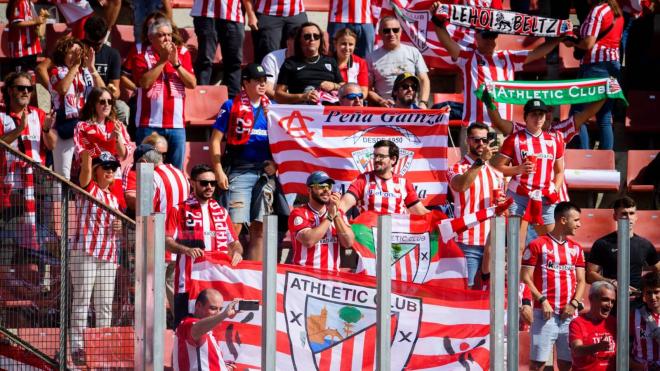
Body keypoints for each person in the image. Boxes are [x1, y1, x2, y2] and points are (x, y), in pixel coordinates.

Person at [432, 3, 560, 149]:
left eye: (493, 36)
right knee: (471, 169)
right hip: (474, 129)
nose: (490, 41)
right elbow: (447, 42)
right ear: (476, 37)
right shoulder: (468, 57)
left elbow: (538, 53)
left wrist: (559, 38)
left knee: (500, 172)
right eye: (486, 36)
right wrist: (437, 21)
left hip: (502, 129)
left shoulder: (508, 57)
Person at [210, 63, 274, 261]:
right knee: (234, 226)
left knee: (260, 228)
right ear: (245, 82)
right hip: (239, 171)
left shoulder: (271, 109)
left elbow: (281, 141)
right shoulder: (230, 106)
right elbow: (214, 140)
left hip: (264, 174)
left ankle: (255, 281)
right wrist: (218, 171)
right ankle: (227, 272)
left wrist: (276, 164)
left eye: (265, 80)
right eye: (258, 80)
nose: (263, 84)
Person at [166, 164, 243, 325]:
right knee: (183, 330)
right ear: (192, 183)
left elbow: (235, 243)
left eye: (213, 183)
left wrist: (237, 252)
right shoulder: (178, 210)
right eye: (204, 183)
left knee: (215, 331)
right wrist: (186, 250)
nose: (209, 187)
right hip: (187, 282)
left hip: (215, 282)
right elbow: (166, 241)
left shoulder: (221, 212)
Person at [521, 202, 587, 371]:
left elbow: (581, 281)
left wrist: (573, 304)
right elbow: (525, 276)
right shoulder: (537, 244)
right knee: (538, 364)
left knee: (567, 363)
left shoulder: (577, 249)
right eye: (576, 220)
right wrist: (542, 299)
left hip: (569, 315)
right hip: (544, 315)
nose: (579, 224)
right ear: (563, 220)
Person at [70, 150, 122, 365]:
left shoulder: (113, 197)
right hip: (86, 252)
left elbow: (115, 227)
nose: (110, 171)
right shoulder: (88, 187)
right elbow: (84, 173)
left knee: (104, 305)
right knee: (82, 301)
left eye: (113, 168)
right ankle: (77, 347)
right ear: (96, 170)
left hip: (108, 254)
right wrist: (87, 155)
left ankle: (102, 346)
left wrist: (118, 225)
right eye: (106, 167)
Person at [125, 142, 189, 312]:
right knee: (175, 293)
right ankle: (181, 332)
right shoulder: (180, 174)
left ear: (144, 164)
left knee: (152, 296)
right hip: (179, 243)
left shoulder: (151, 177)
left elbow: (144, 210)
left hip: (158, 244)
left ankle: (156, 337)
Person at [491, 99, 565, 241]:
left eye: (541, 115)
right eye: (534, 115)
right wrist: (518, 169)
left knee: (549, 244)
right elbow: (497, 168)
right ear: (525, 117)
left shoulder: (554, 141)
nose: (538, 118)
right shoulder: (514, 139)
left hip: (544, 196)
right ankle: (516, 263)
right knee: (517, 244)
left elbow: (560, 171)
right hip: (519, 196)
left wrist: (555, 189)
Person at [0, 72, 56, 251]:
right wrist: (20, 129)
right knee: (9, 237)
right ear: (9, 91)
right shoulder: (1, 115)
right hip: (10, 185)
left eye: (29, 88)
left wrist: (46, 129)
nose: (25, 92)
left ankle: (32, 275)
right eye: (21, 88)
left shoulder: (38, 114)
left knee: (36, 237)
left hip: (37, 183)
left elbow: (51, 145)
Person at [133, 18, 197, 170]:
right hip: (149, 124)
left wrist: (176, 64)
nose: (167, 39)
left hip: (176, 125)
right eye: (162, 35)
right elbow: (145, 83)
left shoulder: (182, 53)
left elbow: (192, 83)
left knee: (176, 171)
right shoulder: (141, 54)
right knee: (146, 171)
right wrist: (162, 61)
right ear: (151, 38)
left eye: (169, 35)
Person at [447, 122, 502, 288]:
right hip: (466, 241)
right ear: (467, 141)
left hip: (491, 244)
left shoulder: (496, 173)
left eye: (485, 140)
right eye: (476, 140)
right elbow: (460, 186)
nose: (481, 144)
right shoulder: (455, 168)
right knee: (465, 291)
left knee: (489, 295)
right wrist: (479, 162)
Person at [566, 0, 623, 150]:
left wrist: (573, 43)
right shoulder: (617, 11)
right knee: (604, 117)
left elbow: (588, 43)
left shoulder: (597, 11)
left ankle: (584, 157)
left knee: (579, 115)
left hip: (595, 66)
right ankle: (605, 161)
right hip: (613, 66)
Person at [49, 37, 105, 180]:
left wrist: (92, 69)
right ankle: (61, 203)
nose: (75, 56)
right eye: (71, 53)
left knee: (87, 171)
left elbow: (104, 93)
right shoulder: (56, 71)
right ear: (63, 55)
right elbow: (62, 88)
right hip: (64, 126)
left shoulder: (86, 74)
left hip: (85, 127)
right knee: (63, 174)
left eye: (78, 52)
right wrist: (74, 66)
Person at [586, 196, 659, 293]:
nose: (628, 218)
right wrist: (612, 283)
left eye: (632, 213)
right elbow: (590, 275)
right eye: (624, 214)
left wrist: (646, 285)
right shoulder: (603, 243)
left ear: (636, 217)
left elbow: (658, 270)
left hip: (637, 300)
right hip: (612, 300)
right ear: (615, 216)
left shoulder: (645, 244)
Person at [74, 87, 130, 209]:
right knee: (92, 213)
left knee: (116, 214)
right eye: (102, 101)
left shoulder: (117, 125)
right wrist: (108, 142)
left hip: (113, 175)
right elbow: (86, 151)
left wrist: (117, 136)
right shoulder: (83, 126)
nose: (106, 105)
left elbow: (123, 154)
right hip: (93, 175)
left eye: (110, 102)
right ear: (93, 104)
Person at [339, 140, 429, 215]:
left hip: (395, 233)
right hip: (368, 233)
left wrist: (440, 220)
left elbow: (420, 212)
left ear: (393, 159)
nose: (376, 159)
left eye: (381, 156)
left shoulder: (404, 183)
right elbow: (343, 205)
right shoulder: (363, 180)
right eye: (375, 156)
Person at [288, 171, 355, 271]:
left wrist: (336, 215)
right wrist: (329, 217)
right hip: (304, 277)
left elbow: (348, 242)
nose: (326, 190)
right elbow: (308, 241)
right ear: (309, 190)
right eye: (321, 186)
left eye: (329, 186)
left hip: (331, 278)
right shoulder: (299, 213)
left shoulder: (338, 213)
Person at [191, 0, 256, 96]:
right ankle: (201, 96)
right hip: (205, 13)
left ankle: (233, 100)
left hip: (234, 15)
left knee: (234, 62)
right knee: (205, 59)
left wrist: (251, 14)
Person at [366, 16, 430, 108]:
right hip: (385, 109)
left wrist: (423, 102)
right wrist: (381, 101)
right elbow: (367, 88)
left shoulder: (413, 52)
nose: (391, 34)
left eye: (395, 30)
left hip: (410, 107)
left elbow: (424, 80)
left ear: (401, 32)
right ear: (380, 33)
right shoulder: (371, 57)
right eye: (386, 31)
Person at [275, 22, 343, 104]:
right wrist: (302, 97)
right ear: (300, 40)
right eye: (307, 36)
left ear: (320, 40)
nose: (312, 39)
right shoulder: (290, 63)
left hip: (328, 110)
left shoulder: (331, 61)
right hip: (303, 111)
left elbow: (345, 88)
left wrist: (334, 86)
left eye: (316, 36)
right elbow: (278, 96)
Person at [173, 288, 239, 371]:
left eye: (220, 309)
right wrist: (224, 315)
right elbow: (196, 329)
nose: (218, 313)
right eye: (213, 308)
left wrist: (223, 366)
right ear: (198, 306)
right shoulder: (187, 324)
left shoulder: (207, 330)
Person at [569, 280, 617, 371]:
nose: (609, 305)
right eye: (605, 299)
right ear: (591, 298)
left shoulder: (614, 322)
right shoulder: (577, 323)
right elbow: (576, 350)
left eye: (612, 301)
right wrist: (598, 347)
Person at [251, 0, 308, 64]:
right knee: (268, 53)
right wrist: (251, 14)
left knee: (299, 51)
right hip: (267, 13)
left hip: (296, 13)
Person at [5, 0, 47, 76]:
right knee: (20, 77)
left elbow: (34, 23)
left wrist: (41, 21)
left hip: (31, 48)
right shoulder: (19, 2)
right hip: (22, 50)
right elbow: (16, 22)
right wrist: (35, 21)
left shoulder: (29, 3)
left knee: (30, 77)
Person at [631, 272, 660, 370]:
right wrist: (642, 367)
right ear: (643, 294)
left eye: (656, 292)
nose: (653, 297)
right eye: (649, 292)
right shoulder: (633, 315)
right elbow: (621, 349)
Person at [261, 26, 296, 99]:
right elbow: (267, 88)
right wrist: (288, 100)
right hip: (277, 102)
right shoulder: (271, 58)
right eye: (297, 41)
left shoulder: (312, 59)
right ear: (288, 42)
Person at [333, 28, 369, 98]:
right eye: (343, 44)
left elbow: (364, 92)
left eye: (351, 44)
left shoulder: (360, 63)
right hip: (329, 103)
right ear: (335, 44)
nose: (347, 48)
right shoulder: (326, 61)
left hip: (352, 104)